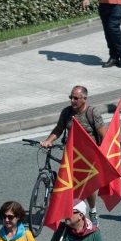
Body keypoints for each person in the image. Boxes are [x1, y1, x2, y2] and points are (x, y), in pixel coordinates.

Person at [39, 86, 107, 220]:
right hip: (71, 154)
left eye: (76, 98)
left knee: (87, 186)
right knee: (68, 183)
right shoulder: (66, 112)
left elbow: (103, 136)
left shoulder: (92, 113)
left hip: (88, 156)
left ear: (84, 99)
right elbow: (59, 129)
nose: (72, 100)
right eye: (71, 97)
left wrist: (103, 155)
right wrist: (48, 140)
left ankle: (92, 211)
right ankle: (72, 213)